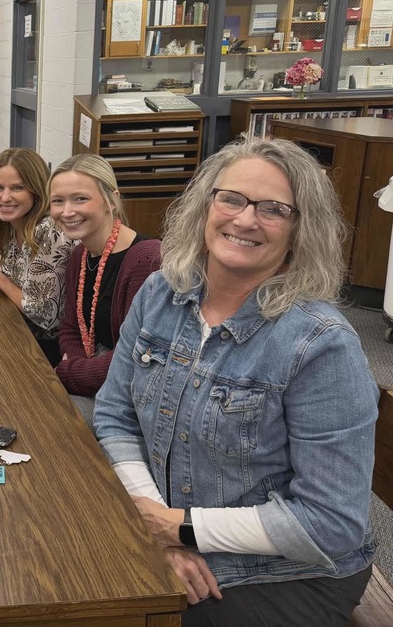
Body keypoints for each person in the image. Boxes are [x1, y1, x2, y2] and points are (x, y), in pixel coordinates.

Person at [94, 137, 377, 627]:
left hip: (288, 572)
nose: (245, 220)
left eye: (273, 209)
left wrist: (181, 529)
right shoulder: (161, 293)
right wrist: (159, 527)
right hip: (170, 527)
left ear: (300, 230)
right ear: (205, 206)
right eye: (232, 199)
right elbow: (115, 416)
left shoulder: (320, 344)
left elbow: (332, 523)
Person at [49, 154, 161, 398]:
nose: (67, 211)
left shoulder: (147, 261)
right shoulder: (79, 255)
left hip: (129, 395)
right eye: (58, 201)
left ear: (112, 200)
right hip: (90, 379)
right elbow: (70, 327)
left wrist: (70, 373)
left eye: (80, 198)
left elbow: (136, 355)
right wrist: (78, 370)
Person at [0, 148, 74, 365]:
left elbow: (44, 315)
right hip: (18, 328)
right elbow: (4, 264)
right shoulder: (11, 223)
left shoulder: (50, 231)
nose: (5, 197)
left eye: (17, 188)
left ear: (36, 192)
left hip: (48, 350)